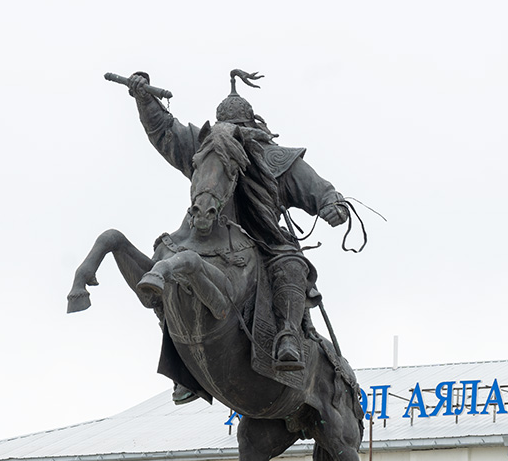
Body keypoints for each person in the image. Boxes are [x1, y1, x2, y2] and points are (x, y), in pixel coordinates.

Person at [127, 69, 349, 402]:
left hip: (262, 242)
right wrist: (144, 98)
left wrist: (333, 204)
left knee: (291, 264)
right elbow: (165, 131)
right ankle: (180, 354)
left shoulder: (275, 158)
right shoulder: (207, 147)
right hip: (204, 234)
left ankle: (288, 338)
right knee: (167, 255)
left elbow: (318, 189)